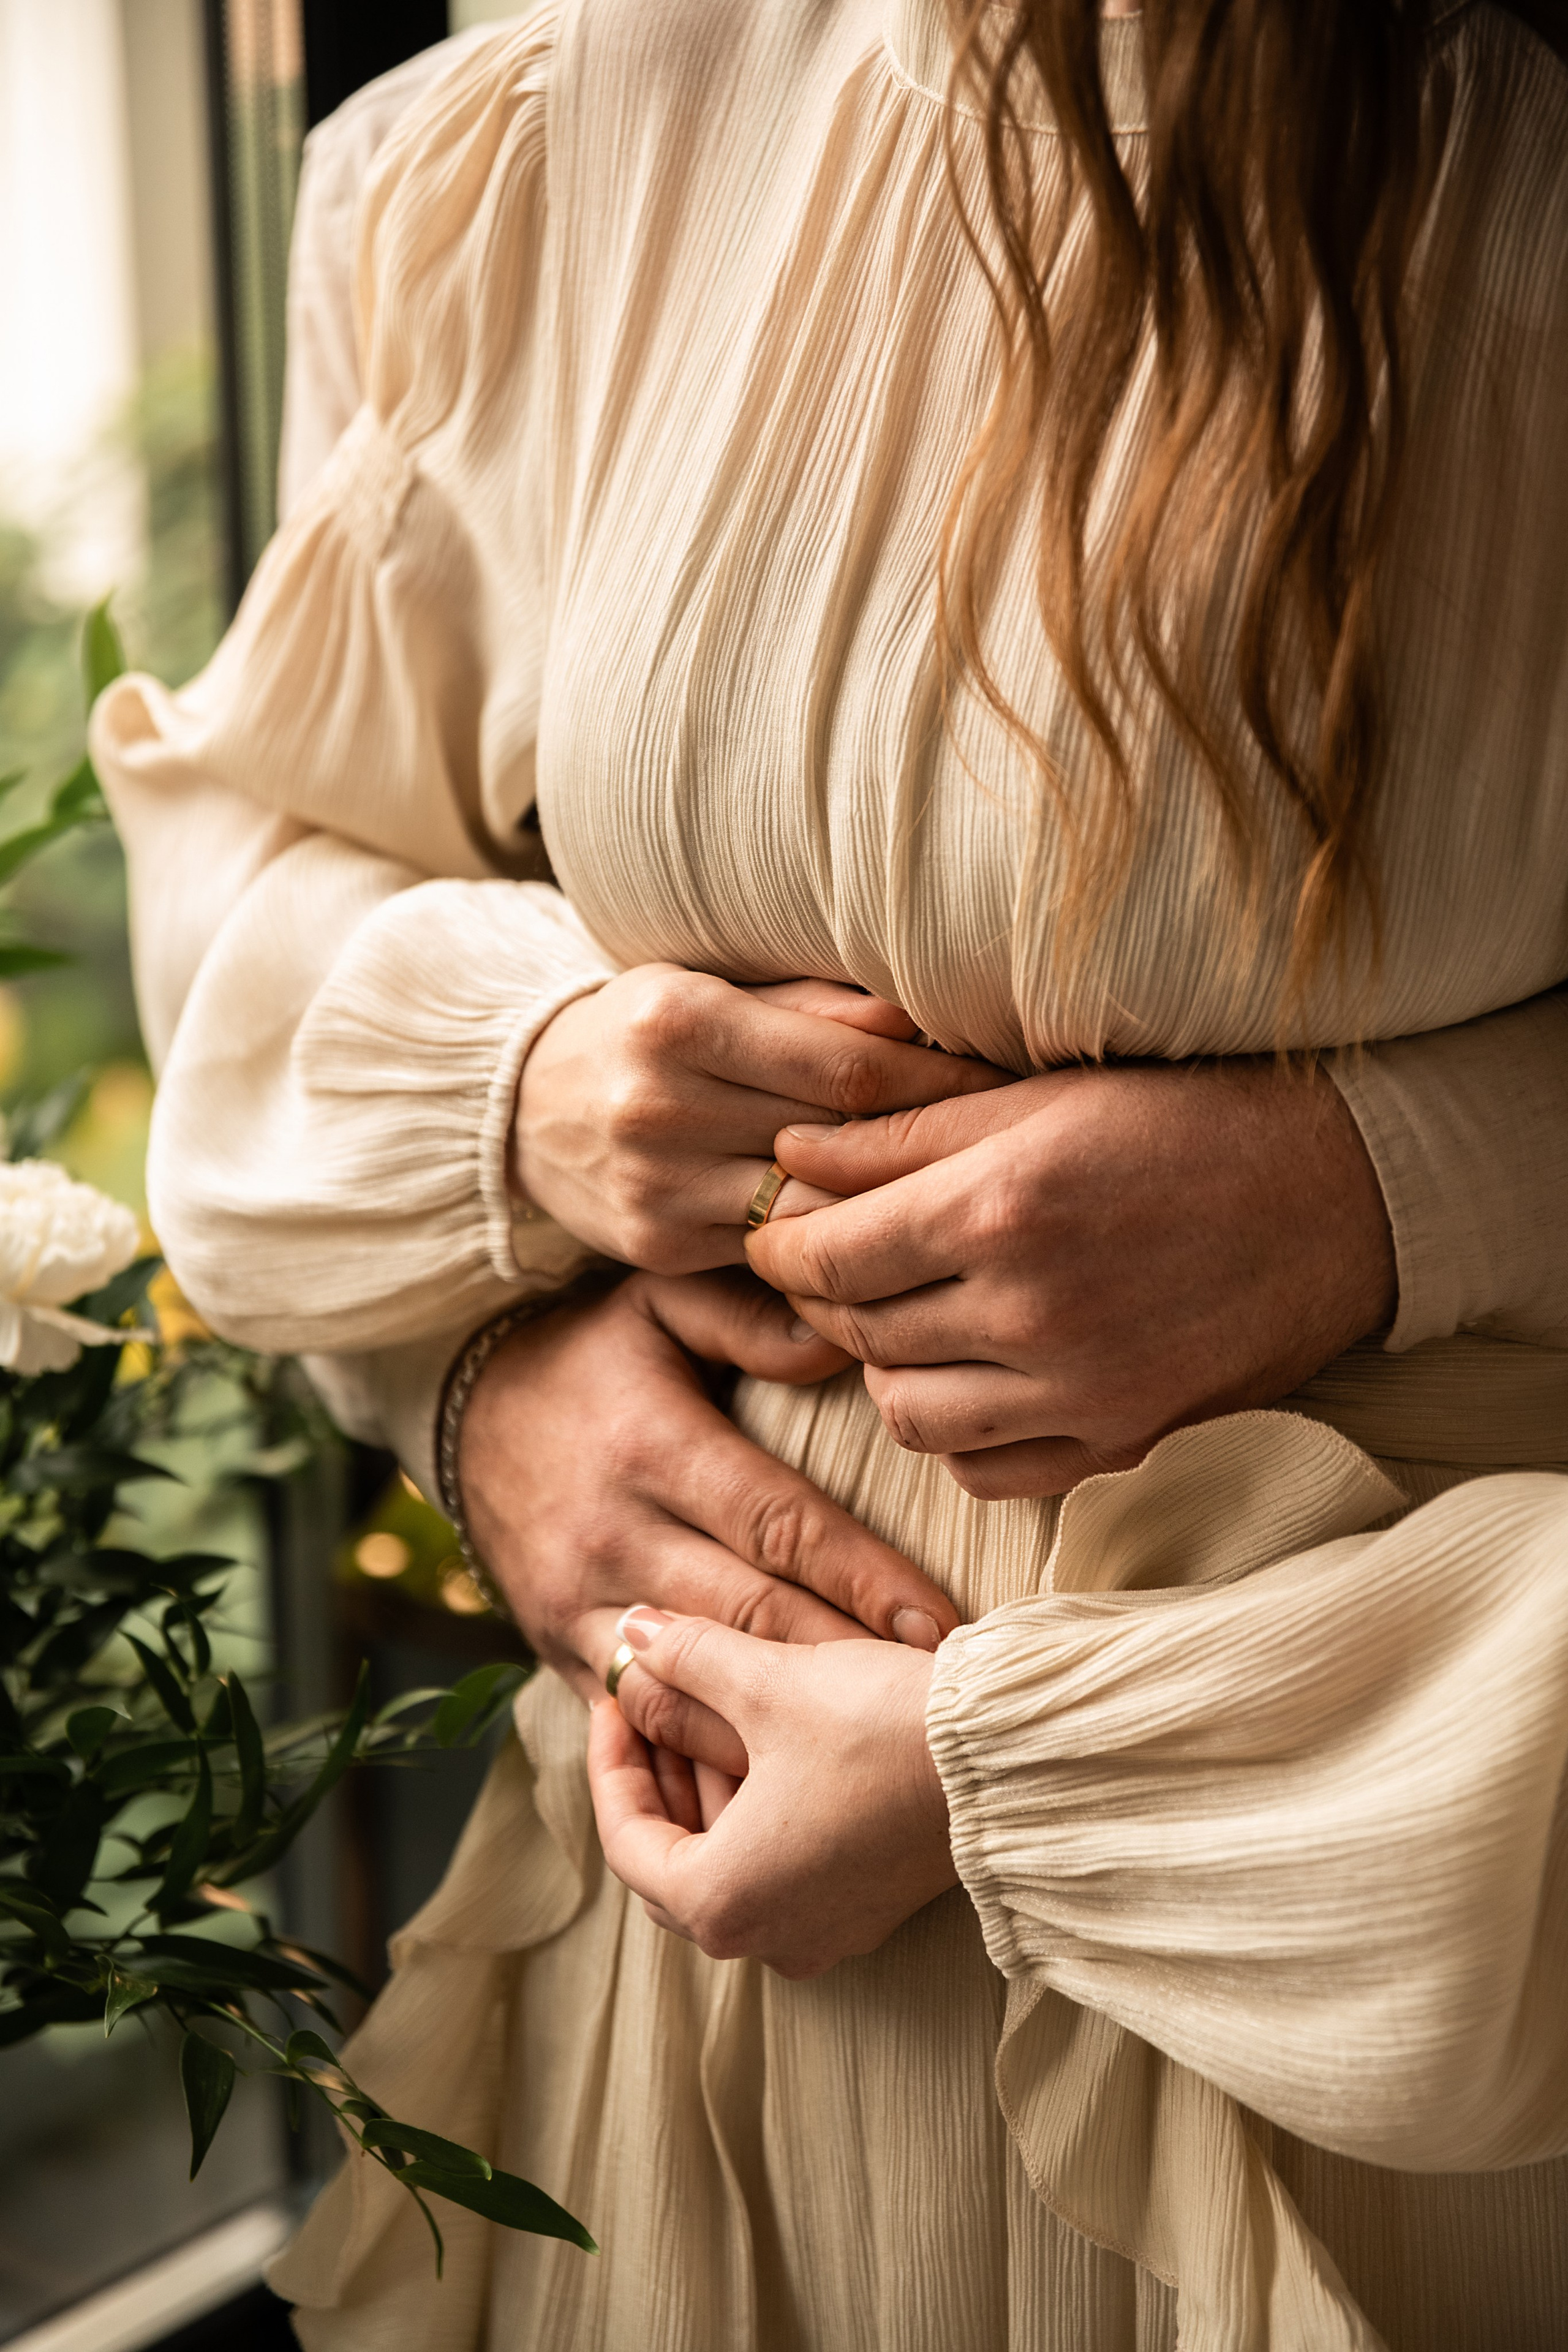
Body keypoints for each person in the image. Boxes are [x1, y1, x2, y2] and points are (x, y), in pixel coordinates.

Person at [93, 1, 1568, 2345]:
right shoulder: (562, 138)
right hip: (709, 1971)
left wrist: (1402, 1188)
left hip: (1419, 1928)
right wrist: (515, 1205)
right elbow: (257, 888)